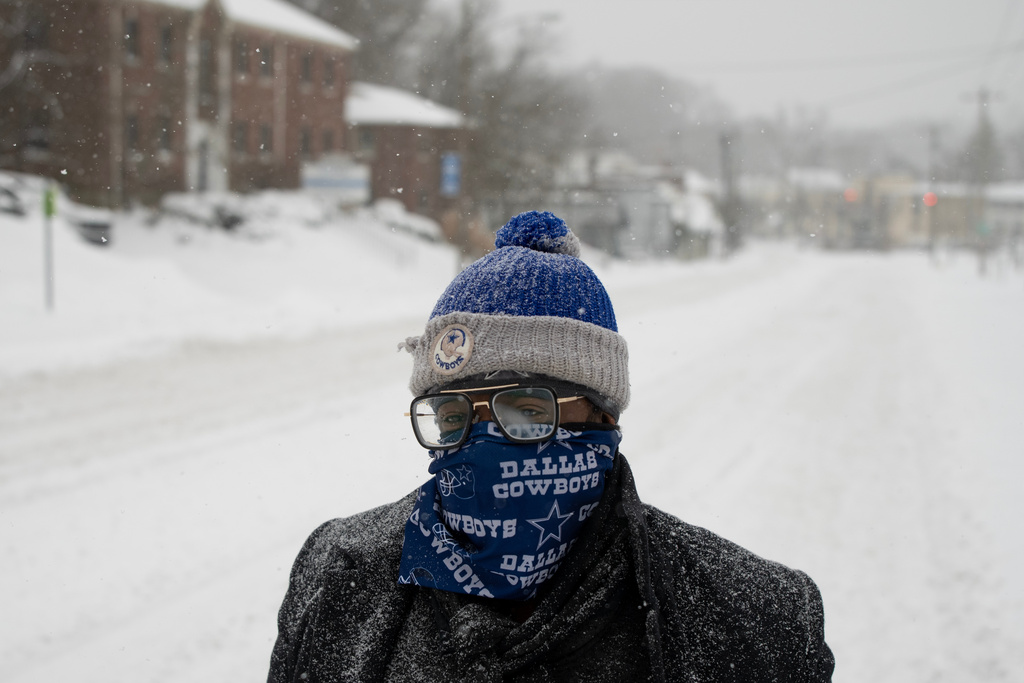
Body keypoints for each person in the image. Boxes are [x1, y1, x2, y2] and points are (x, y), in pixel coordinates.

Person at [268, 211, 835, 682]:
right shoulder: (341, 579)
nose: (483, 443)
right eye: (454, 414)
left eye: (528, 410)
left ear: (603, 415)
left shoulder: (752, 616)